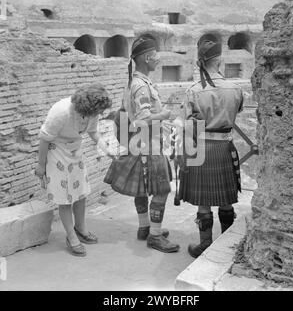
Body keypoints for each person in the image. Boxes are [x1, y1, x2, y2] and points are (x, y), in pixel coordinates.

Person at [104, 36, 180, 253]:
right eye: (155, 55)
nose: (158, 59)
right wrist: (164, 113)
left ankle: (144, 227)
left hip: (138, 145)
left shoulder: (133, 83)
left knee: (143, 190)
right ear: (147, 58)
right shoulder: (141, 86)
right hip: (149, 145)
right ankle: (155, 236)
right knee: (162, 189)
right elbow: (142, 119)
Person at [176, 35, 244, 258]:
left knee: (204, 202)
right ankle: (225, 245)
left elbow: (186, 124)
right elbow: (238, 111)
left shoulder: (193, 90)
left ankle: (205, 245)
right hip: (225, 148)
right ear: (220, 60)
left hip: (201, 149)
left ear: (200, 61)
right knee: (226, 199)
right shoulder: (235, 89)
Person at [35, 83, 115, 257]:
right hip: (56, 152)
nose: (101, 114)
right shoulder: (61, 111)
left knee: (80, 193)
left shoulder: (92, 113)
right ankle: (71, 236)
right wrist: (41, 165)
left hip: (74, 151)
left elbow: (94, 133)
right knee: (64, 198)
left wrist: (106, 149)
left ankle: (81, 228)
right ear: (89, 107)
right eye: (99, 111)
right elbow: (44, 138)